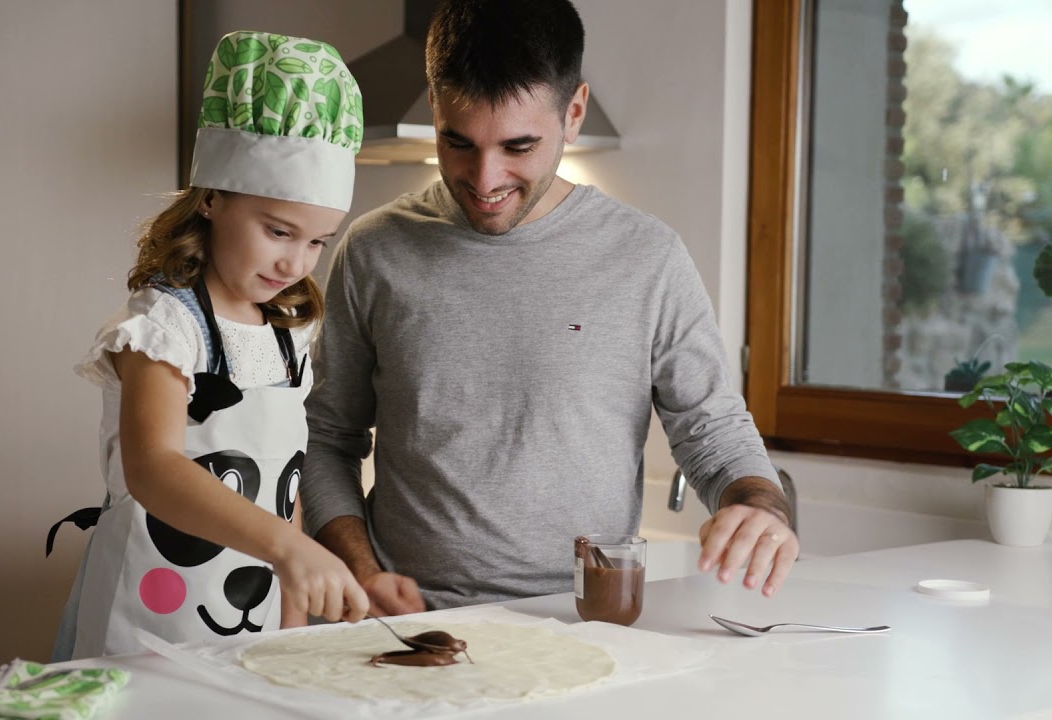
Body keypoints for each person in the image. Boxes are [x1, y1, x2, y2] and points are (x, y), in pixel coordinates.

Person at [301, 0, 798, 616]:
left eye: (519, 145)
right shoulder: (375, 250)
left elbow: (715, 434)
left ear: (575, 113)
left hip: (583, 621)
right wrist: (362, 572)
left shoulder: (647, 257)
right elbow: (327, 438)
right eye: (458, 143)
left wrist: (759, 508)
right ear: (434, 108)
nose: (485, 180)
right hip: (411, 627)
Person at [48, 31, 370, 660]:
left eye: (316, 242)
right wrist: (290, 550)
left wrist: (294, 611)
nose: (294, 261)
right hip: (149, 619)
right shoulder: (165, 327)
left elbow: (286, 482)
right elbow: (155, 469)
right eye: (279, 230)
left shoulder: (287, 330)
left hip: (256, 621)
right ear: (214, 197)